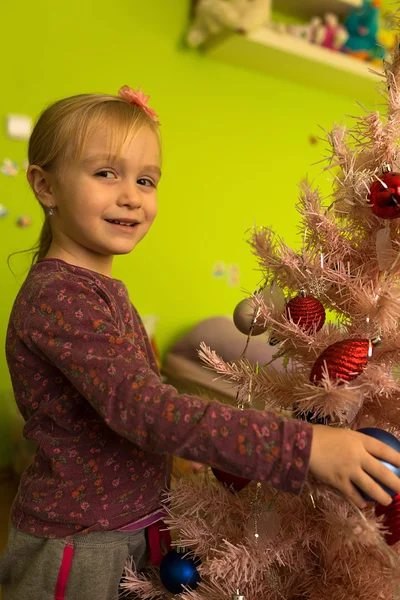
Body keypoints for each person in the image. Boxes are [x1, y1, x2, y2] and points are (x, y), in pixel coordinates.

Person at [1, 85, 400, 600]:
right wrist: (304, 449)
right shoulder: (60, 296)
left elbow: (129, 396)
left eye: (146, 180)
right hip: (82, 544)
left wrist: (174, 461)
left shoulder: (96, 288)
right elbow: (142, 407)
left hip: (129, 522)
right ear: (44, 185)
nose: (131, 195)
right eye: (106, 173)